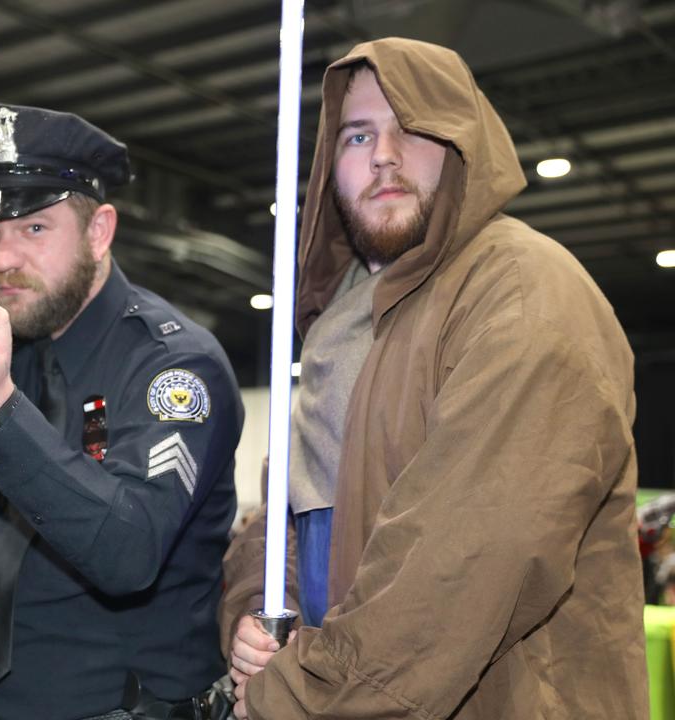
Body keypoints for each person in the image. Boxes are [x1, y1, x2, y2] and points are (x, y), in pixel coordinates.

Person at [220, 38, 646, 719]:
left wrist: (299, 695)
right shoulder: (338, 322)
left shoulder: (523, 291)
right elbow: (286, 516)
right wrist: (257, 613)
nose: (384, 154)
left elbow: (465, 563)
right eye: (358, 135)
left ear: (461, 142)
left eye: (411, 128)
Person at [0, 104, 244, 719]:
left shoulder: (170, 365)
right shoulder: (15, 336)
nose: (4, 259)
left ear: (99, 231)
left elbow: (128, 551)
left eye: (35, 229)